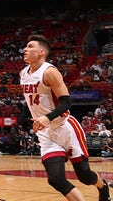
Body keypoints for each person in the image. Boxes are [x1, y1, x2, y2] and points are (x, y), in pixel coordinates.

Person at [21, 34, 110, 201]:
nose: (25, 49)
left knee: (84, 175)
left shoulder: (50, 72)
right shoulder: (23, 74)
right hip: (46, 134)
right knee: (55, 179)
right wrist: (24, 115)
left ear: (41, 52)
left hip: (65, 127)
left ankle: (102, 186)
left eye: (30, 46)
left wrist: (47, 117)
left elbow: (67, 102)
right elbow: (32, 99)